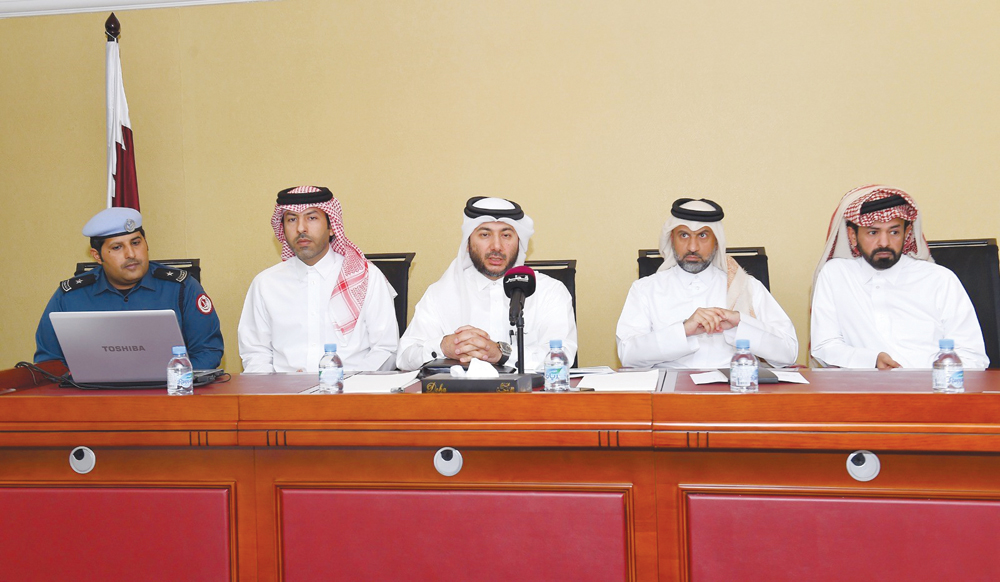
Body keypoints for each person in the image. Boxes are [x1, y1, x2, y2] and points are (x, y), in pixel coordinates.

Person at [810, 185, 988, 369]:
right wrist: (871, 360)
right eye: (873, 232)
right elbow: (824, 347)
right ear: (852, 236)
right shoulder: (836, 275)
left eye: (894, 232)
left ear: (907, 232)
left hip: (930, 392)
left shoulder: (940, 279)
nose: (884, 242)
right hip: (862, 392)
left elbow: (973, 356)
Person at [396, 196, 577, 372]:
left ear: (519, 243)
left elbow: (563, 357)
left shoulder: (550, 291)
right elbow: (404, 357)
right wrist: (443, 346)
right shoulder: (440, 293)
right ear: (467, 243)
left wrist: (502, 354)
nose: (496, 246)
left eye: (506, 235)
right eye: (485, 234)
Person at [616, 198, 798, 368]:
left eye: (703, 235)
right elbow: (628, 355)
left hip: (735, 392)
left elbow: (788, 353)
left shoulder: (745, 286)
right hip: (668, 394)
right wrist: (684, 331)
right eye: (684, 235)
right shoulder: (645, 289)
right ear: (672, 239)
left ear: (717, 242)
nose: (693, 247)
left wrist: (739, 324)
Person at [34, 207, 224, 369]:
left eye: (136, 242)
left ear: (146, 243)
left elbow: (208, 351)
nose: (131, 254)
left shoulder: (182, 287)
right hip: (93, 402)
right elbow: (48, 360)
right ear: (97, 256)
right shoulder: (70, 296)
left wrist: (171, 380)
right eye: (117, 247)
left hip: (168, 399)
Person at [238, 186, 399, 372]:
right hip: (284, 397)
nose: (300, 228)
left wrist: (351, 385)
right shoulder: (265, 284)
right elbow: (255, 353)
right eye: (291, 219)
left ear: (331, 227)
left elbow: (386, 350)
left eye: (312, 218)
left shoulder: (367, 277)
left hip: (352, 394)